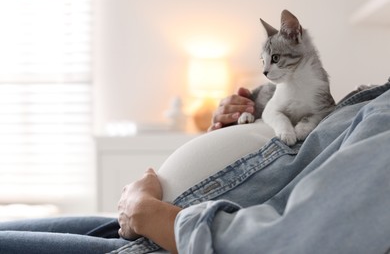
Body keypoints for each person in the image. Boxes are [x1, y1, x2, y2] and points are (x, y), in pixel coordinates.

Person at [1, 80, 390, 254]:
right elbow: (312, 154)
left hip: (165, 237)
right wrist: (253, 117)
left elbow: (286, 244)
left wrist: (146, 212)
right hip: (159, 227)